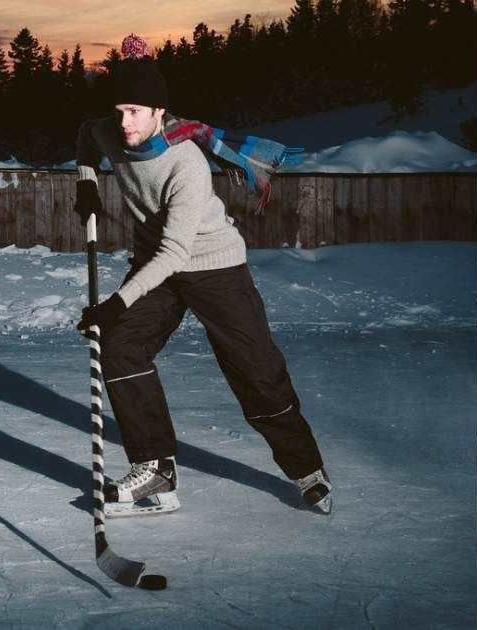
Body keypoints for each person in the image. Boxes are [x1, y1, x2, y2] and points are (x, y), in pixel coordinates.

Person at [73, 34, 331, 516]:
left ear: (159, 112)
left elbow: (176, 250)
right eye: (120, 110)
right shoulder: (109, 130)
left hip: (213, 266)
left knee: (256, 373)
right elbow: (85, 138)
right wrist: (86, 185)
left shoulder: (186, 163)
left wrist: (116, 302)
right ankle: (155, 470)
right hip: (158, 266)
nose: (125, 122)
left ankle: (306, 468)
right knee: (121, 345)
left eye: (136, 111)